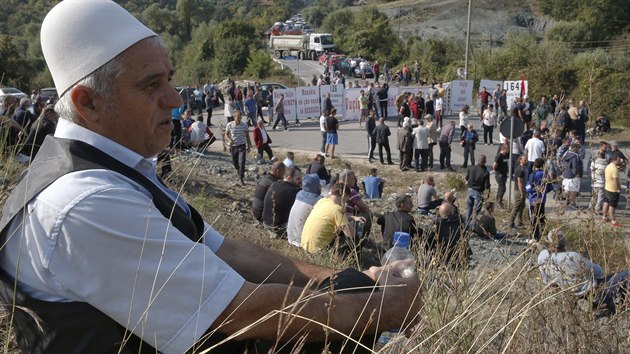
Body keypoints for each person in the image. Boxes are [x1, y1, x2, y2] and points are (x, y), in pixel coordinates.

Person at [0, 2, 421, 353]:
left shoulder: (116, 167)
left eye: (169, 78)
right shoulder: (81, 203)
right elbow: (239, 311)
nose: (175, 99)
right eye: (151, 85)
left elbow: (225, 251)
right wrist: (385, 307)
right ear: (87, 101)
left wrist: (340, 281)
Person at [538, 229, 629, 313]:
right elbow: (599, 272)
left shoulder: (542, 257)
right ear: (564, 243)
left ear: (550, 244)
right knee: (626, 274)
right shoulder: (572, 256)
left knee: (615, 276)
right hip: (596, 293)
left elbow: (546, 282)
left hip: (571, 294)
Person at [301, 184, 365, 253]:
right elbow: (350, 234)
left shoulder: (322, 201)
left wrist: (353, 217)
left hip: (305, 246)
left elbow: (334, 217)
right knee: (355, 239)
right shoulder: (337, 209)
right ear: (344, 196)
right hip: (318, 250)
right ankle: (354, 261)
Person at [262, 166, 303, 238]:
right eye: (298, 179)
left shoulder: (274, 184)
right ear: (289, 178)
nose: (300, 181)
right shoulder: (294, 191)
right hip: (278, 228)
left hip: (265, 223)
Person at [427, 203, 470, 267]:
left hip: (444, 254)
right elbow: (466, 233)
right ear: (452, 212)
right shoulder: (461, 220)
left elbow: (430, 239)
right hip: (460, 252)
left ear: (440, 213)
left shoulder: (437, 224)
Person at [287, 174, 322, 247]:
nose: (320, 186)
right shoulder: (318, 200)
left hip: (290, 237)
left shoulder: (299, 194)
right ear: (315, 186)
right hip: (302, 241)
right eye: (319, 184)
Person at [526, 158, 554, 242]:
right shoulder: (545, 175)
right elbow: (550, 187)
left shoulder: (533, 175)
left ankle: (535, 237)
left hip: (533, 200)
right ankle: (546, 236)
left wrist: (531, 191)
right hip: (542, 200)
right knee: (542, 218)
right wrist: (543, 192)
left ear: (534, 165)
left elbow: (529, 187)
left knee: (533, 218)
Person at [224, 110, 252, 185]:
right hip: (233, 146)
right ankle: (238, 170)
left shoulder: (244, 125)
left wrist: (249, 146)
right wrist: (229, 140)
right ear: (234, 117)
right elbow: (226, 135)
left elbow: (247, 136)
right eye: (238, 118)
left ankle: (241, 178)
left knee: (242, 161)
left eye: (240, 118)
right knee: (235, 162)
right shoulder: (229, 125)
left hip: (242, 145)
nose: (239, 119)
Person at [465, 154, 490, 227]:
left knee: (469, 208)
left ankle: (466, 225)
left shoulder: (471, 168)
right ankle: (473, 226)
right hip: (478, 192)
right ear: (485, 162)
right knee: (476, 211)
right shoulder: (485, 172)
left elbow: (466, 178)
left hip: (470, 190)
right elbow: (486, 186)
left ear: (478, 160)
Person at [602, 154, 623, 227]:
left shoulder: (608, 166)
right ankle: (613, 221)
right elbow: (615, 180)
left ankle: (604, 217)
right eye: (618, 159)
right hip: (613, 190)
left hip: (607, 188)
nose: (620, 160)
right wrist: (619, 188)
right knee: (612, 206)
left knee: (606, 202)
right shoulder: (614, 169)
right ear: (614, 160)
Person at [509, 154, 528, 229]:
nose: (526, 161)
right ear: (520, 160)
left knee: (522, 206)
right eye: (524, 160)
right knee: (516, 207)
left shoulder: (525, 168)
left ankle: (519, 221)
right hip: (519, 191)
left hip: (523, 190)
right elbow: (519, 181)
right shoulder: (520, 169)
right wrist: (521, 192)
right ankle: (511, 223)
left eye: (526, 160)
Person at [561, 142, 582, 208]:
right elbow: (575, 166)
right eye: (578, 148)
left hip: (566, 174)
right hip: (573, 176)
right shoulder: (575, 157)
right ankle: (573, 203)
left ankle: (567, 200)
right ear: (575, 148)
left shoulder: (566, 154)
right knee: (574, 190)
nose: (579, 150)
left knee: (567, 188)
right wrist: (576, 174)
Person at [493, 144, 510, 208]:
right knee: (503, 188)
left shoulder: (505, 155)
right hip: (499, 174)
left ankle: (498, 201)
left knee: (500, 188)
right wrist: (496, 170)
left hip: (504, 174)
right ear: (504, 149)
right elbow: (494, 165)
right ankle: (499, 202)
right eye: (507, 148)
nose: (508, 150)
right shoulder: (499, 156)